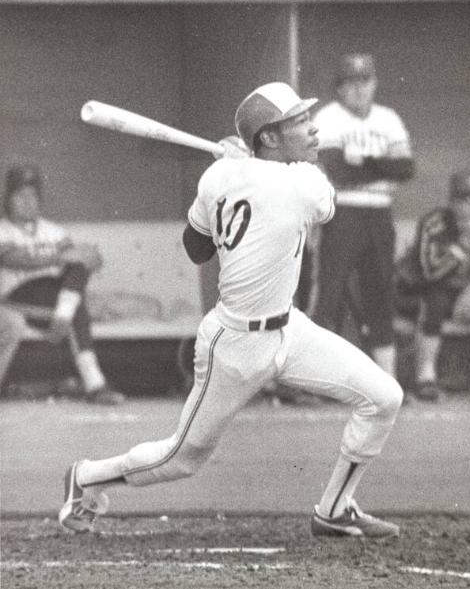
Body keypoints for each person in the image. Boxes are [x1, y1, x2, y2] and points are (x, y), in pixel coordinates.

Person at [58, 82, 403, 538]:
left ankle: (335, 510)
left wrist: (233, 173)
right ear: (270, 139)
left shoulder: (221, 175)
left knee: (383, 397)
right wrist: (243, 172)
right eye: (299, 122)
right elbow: (305, 208)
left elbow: (196, 245)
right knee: (183, 459)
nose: (313, 129)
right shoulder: (298, 183)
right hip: (235, 344)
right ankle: (85, 478)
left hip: (291, 332)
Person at [309, 53, 415, 379]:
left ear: (374, 83)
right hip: (342, 214)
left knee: (381, 294)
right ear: (339, 88)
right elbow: (338, 171)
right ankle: (313, 381)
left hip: (380, 215)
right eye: (350, 83)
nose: (358, 90)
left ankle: (388, 381)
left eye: (364, 82)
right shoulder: (328, 116)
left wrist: (362, 161)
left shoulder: (388, 118)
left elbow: (406, 168)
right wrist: (380, 165)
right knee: (329, 295)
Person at [0, 164, 125, 404]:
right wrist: (60, 257)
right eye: (20, 195)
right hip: (14, 299)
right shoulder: (3, 230)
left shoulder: (53, 231)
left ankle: (65, 316)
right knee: (74, 304)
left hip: (51, 303)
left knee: (77, 273)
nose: (27, 201)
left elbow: (87, 261)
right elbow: (12, 258)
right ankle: (95, 384)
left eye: (32, 195)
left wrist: (88, 256)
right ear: (8, 199)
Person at [395, 169, 470, 401]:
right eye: (463, 199)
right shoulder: (435, 223)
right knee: (435, 297)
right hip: (443, 296)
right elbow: (428, 273)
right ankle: (426, 378)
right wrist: (463, 245)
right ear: (451, 202)